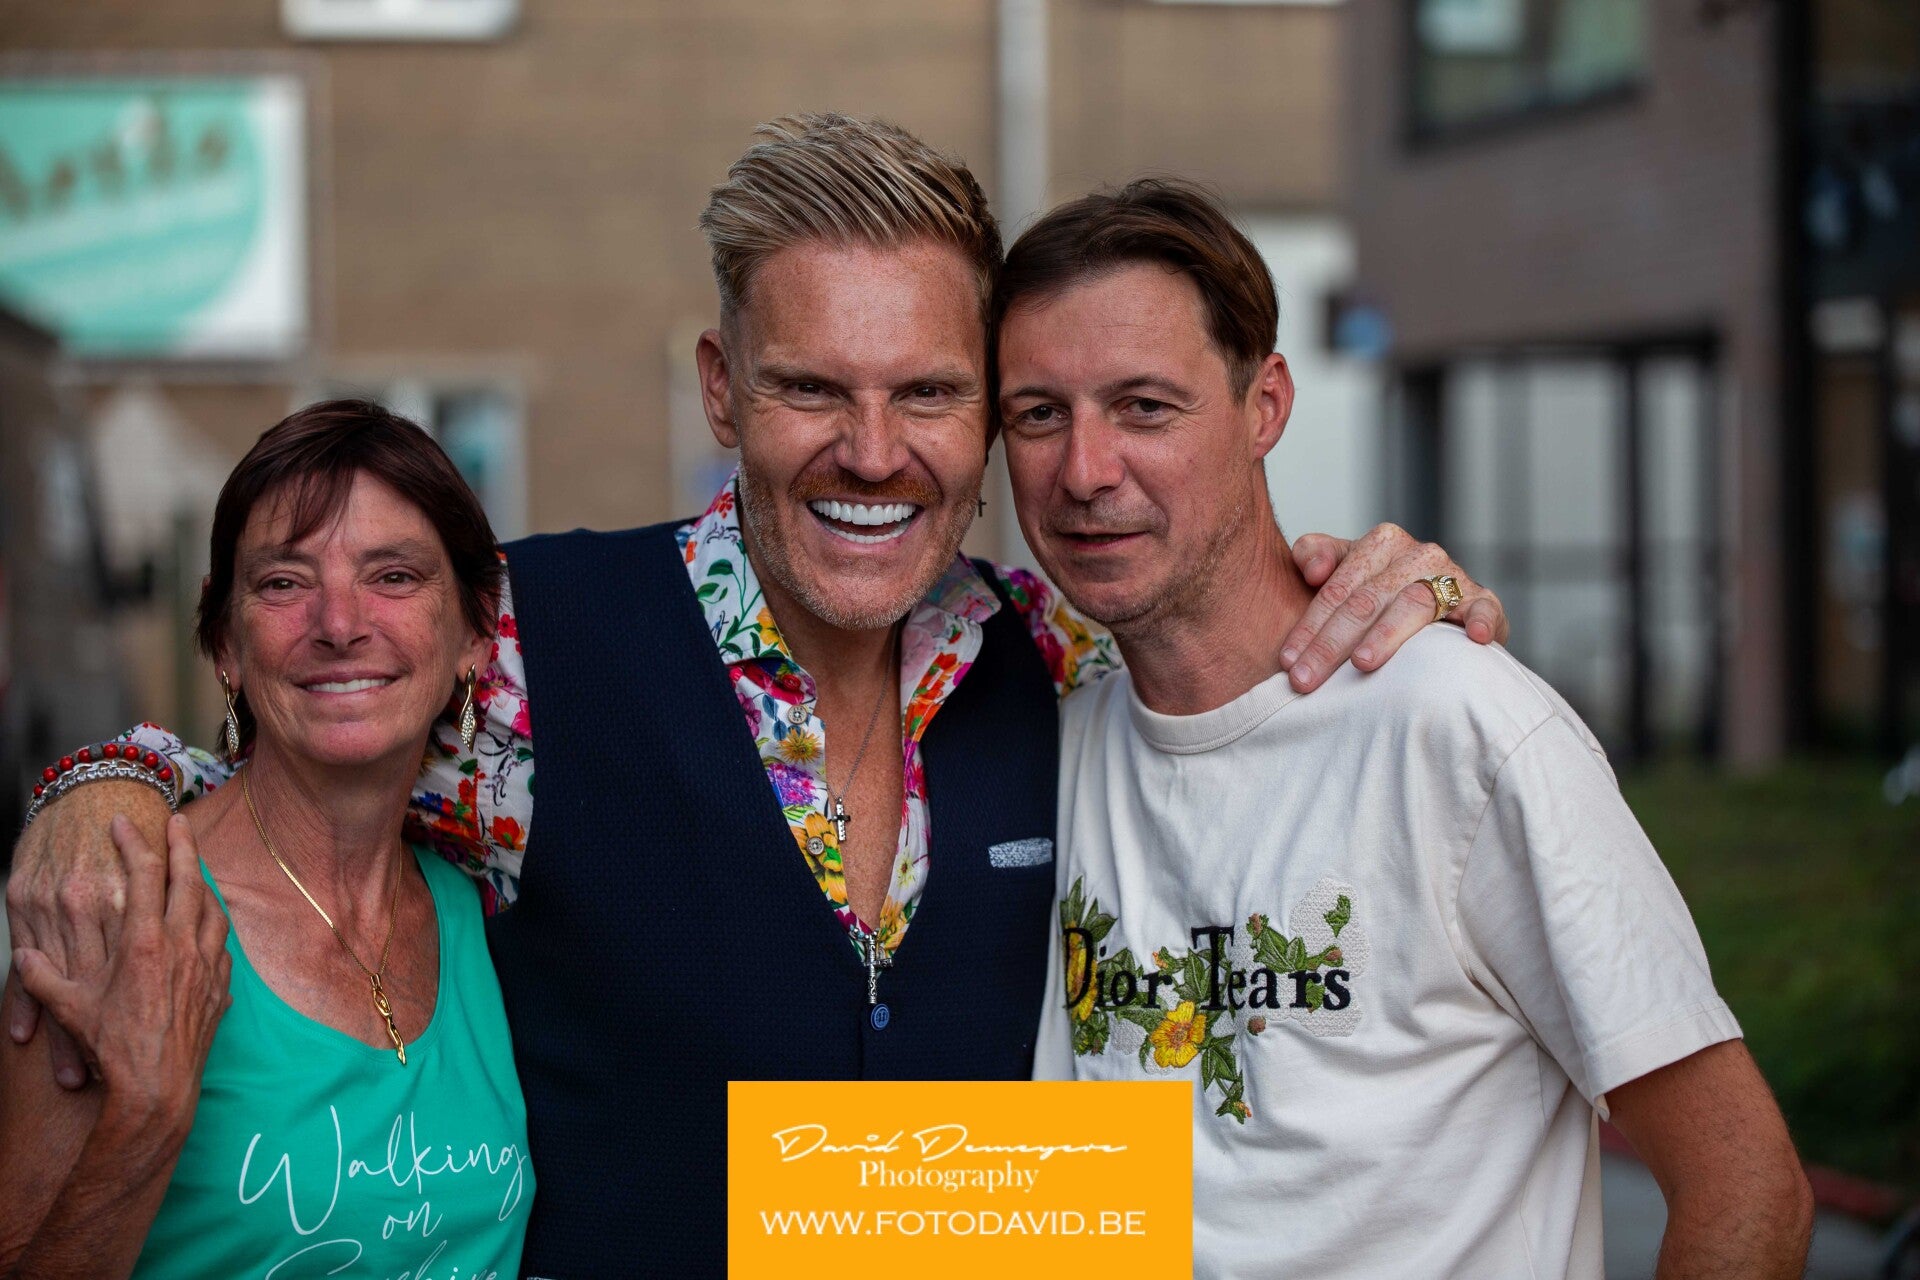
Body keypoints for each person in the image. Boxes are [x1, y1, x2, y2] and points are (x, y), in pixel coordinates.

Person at [5, 117, 1506, 1275]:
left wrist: (1404, 590)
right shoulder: (526, 646)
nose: (874, 451)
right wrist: (104, 784)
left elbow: (1233, 635)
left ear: (987, 415)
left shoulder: (1056, 652)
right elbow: (307, 707)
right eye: (811, 390)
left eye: (929, 392)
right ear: (723, 388)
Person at [1007, 179, 1814, 1278]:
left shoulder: (1460, 726)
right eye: (1038, 414)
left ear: (1265, 405)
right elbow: (1113, 1200)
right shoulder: (1042, 755)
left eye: (1145, 406)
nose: (1085, 470)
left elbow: (1747, 1192)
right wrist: (766, 1194)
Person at [0, 401, 534, 1277]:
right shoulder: (117, 907)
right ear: (226, 642)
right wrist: (148, 1120)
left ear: (475, 634)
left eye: (394, 576)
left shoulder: (483, 896)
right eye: (284, 583)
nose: (339, 623)